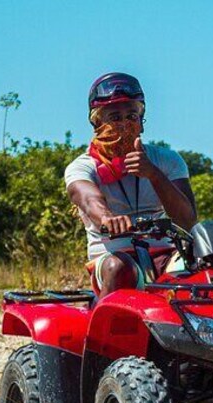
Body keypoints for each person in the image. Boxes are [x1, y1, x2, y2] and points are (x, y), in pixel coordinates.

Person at [65, 72, 197, 298]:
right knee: (118, 268)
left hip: (165, 253)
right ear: (97, 123)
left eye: (132, 116)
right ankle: (105, 329)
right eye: (115, 118)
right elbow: (87, 199)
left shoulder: (167, 160)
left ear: (141, 122)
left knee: (204, 261)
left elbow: (188, 220)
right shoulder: (82, 167)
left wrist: (153, 175)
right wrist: (107, 218)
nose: (125, 124)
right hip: (112, 258)